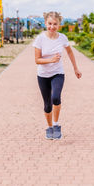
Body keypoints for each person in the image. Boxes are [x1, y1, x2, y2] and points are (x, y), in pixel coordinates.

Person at [33, 11, 82, 140]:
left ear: (59, 24)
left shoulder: (62, 38)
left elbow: (70, 52)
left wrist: (75, 68)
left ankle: (56, 124)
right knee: (47, 105)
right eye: (49, 24)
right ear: (45, 23)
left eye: (55, 24)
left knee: (55, 97)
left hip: (58, 73)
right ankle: (49, 127)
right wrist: (51, 60)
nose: (52, 27)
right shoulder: (40, 39)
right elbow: (37, 60)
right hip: (43, 75)